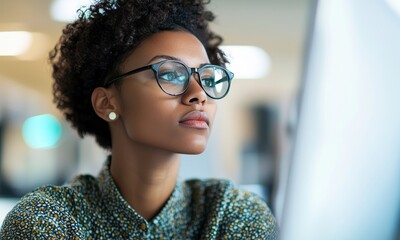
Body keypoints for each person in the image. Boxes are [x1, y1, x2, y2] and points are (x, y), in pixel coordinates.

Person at [0, 0, 278, 238]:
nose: (199, 94)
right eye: (170, 73)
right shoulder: (48, 221)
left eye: (206, 77)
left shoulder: (233, 214)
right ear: (107, 102)